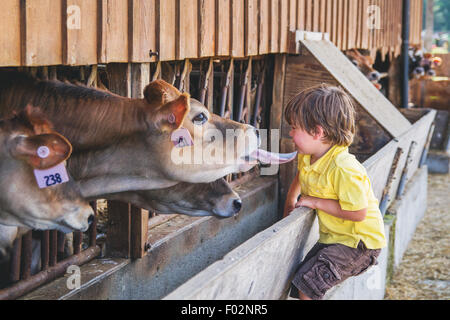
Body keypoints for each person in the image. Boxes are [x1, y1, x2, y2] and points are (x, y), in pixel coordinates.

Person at [283, 84, 386, 300]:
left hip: (359, 244)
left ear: (317, 132)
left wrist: (315, 202)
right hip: (336, 238)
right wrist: (291, 201)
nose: (290, 133)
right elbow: (301, 177)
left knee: (307, 285)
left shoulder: (343, 168)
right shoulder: (309, 155)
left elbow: (358, 213)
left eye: (294, 128)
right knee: (299, 278)